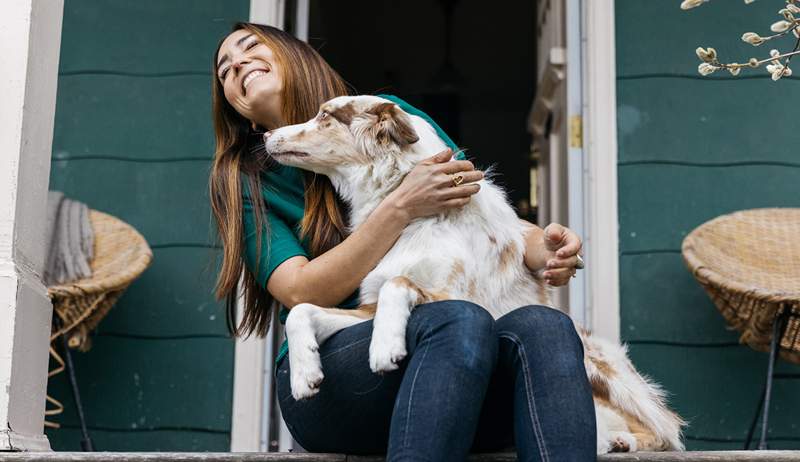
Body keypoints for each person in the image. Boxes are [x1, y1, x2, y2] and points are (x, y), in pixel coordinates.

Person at [210, 22, 596, 462]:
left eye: (249, 47)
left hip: (463, 370)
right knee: (458, 319)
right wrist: (400, 208)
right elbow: (301, 290)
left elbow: (481, 215)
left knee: (547, 326)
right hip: (340, 383)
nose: (237, 64)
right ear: (241, 111)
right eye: (225, 71)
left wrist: (543, 248)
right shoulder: (243, 180)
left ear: (294, 54)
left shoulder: (386, 113)